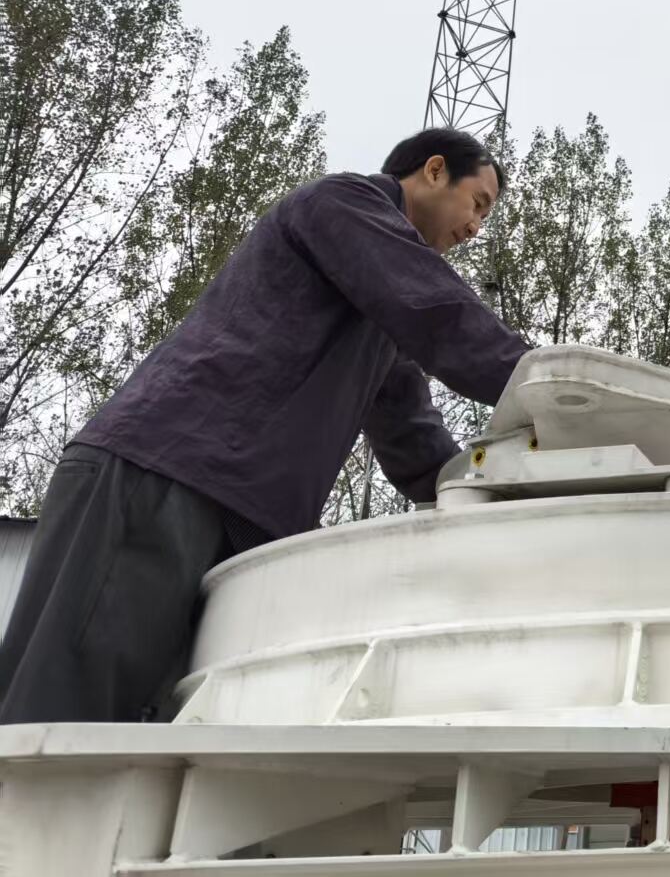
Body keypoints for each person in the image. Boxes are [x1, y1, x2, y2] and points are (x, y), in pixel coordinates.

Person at [0, 128, 534, 724]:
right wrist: (555, 383)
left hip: (241, 514)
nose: (476, 228)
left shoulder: (382, 314)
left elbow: (413, 438)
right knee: (62, 711)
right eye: (477, 204)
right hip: (163, 472)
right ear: (434, 171)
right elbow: (437, 313)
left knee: (150, 729)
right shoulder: (342, 203)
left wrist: (503, 488)